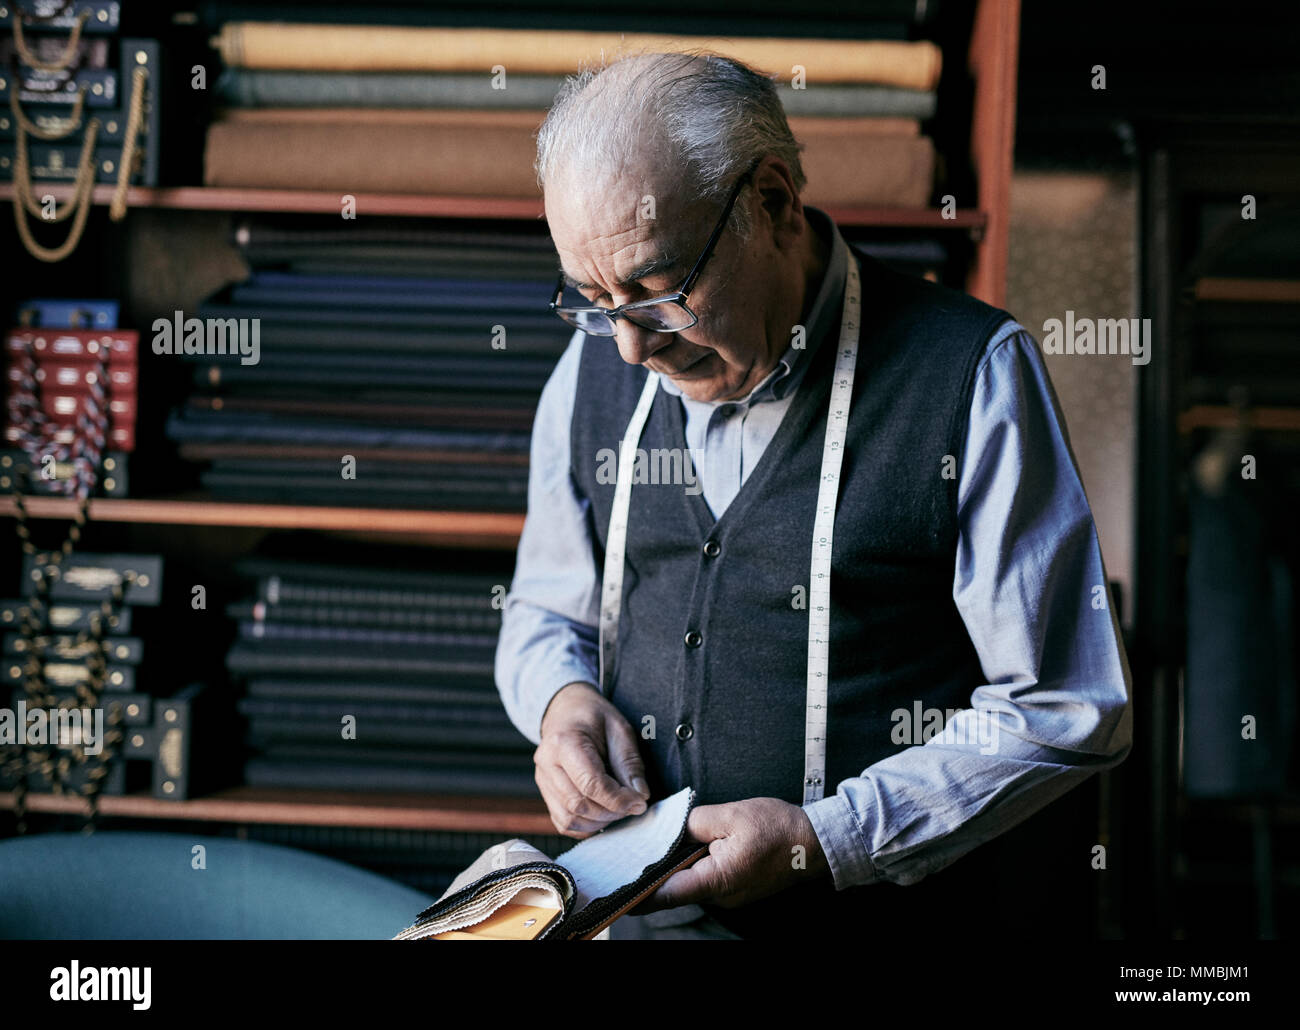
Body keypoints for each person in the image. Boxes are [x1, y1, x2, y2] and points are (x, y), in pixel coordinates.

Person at [495, 51, 1133, 940]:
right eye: (593, 299)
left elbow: (1067, 705)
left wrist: (821, 839)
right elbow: (542, 608)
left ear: (774, 202)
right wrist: (560, 701)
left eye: (657, 292)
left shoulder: (973, 374)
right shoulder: (592, 364)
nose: (629, 348)